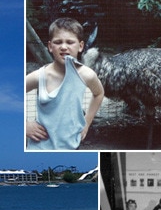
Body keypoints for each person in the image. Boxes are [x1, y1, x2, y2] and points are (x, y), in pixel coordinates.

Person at [25, 17, 105, 150]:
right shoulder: (40, 76)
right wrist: (23, 125)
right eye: (58, 42)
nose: (63, 47)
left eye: (69, 42)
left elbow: (99, 93)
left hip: (71, 147)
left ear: (80, 46)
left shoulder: (87, 75)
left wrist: (87, 122)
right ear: (50, 46)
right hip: (39, 148)